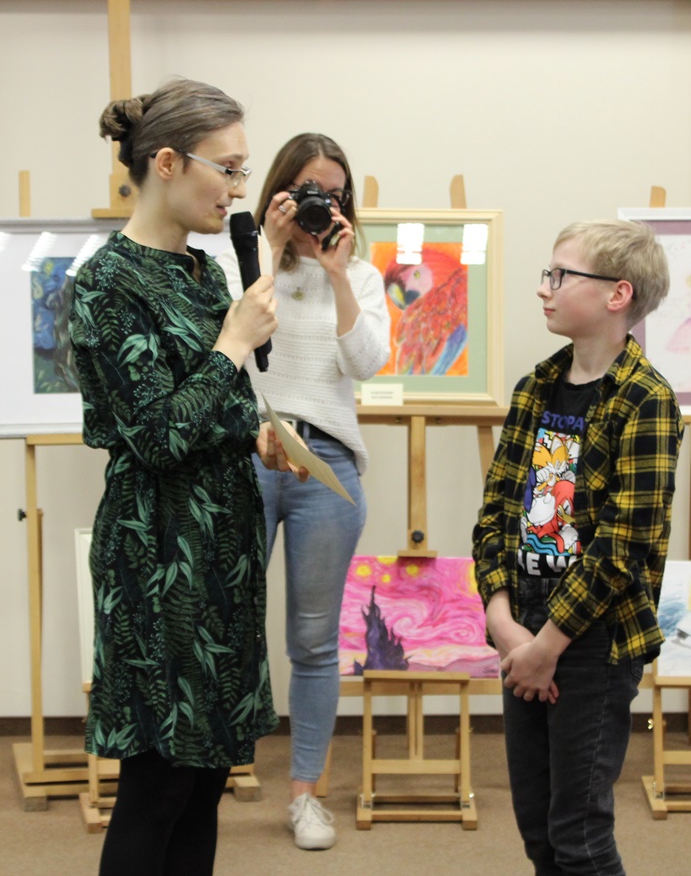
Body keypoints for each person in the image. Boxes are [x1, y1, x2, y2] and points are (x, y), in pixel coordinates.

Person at [69, 77, 305, 876]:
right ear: (166, 163)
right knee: (159, 785)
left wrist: (257, 434)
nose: (239, 190)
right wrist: (232, 344)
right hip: (156, 558)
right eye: (229, 170)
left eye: (244, 172)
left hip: (222, 551)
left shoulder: (202, 275)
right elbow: (158, 435)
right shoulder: (104, 286)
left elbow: (210, 412)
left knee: (205, 779)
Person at [472, 219, 684, 875]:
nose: (545, 287)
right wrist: (502, 620)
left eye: (561, 275)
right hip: (524, 633)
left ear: (616, 294)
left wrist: (548, 646)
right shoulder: (534, 388)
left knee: (579, 832)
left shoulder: (645, 400)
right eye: (547, 272)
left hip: (590, 642)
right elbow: (496, 516)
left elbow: (622, 547)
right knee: (536, 825)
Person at [218, 133, 391, 850]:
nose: (324, 203)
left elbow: (368, 363)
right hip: (247, 454)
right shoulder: (239, 257)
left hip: (325, 467)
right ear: (279, 191)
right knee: (223, 621)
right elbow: (222, 342)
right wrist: (265, 242)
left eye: (335, 192)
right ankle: (204, 776)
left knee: (314, 641)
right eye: (309, 190)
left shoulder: (363, 276)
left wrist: (339, 274)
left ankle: (304, 796)